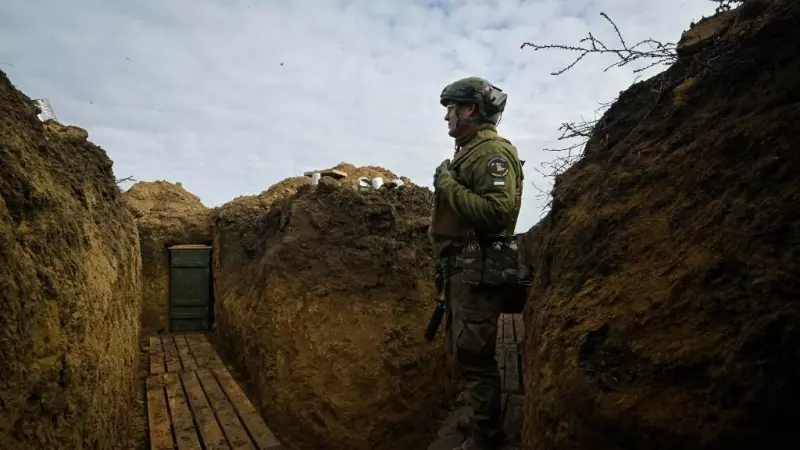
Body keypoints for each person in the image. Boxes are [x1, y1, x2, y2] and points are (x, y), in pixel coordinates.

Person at [429, 77, 524, 450]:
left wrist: (447, 185)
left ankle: (487, 437)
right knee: (468, 354)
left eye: (452, 109)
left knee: (476, 356)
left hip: (479, 268)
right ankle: (483, 419)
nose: (447, 117)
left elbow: (497, 213)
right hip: (464, 268)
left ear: (471, 109)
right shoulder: (470, 150)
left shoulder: (491, 153)